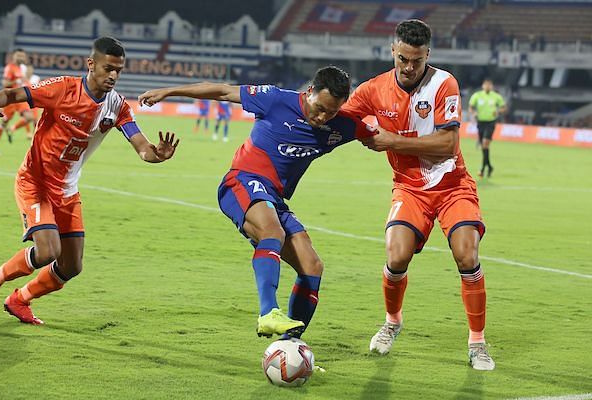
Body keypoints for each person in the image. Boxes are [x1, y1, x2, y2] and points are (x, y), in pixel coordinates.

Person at [139, 66, 375, 338]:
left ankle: (290, 345)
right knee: (271, 230)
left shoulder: (342, 125)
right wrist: (168, 91)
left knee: (312, 266)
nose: (322, 117)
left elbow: (382, 138)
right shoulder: (276, 100)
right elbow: (223, 91)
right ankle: (268, 313)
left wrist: (422, 144)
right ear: (309, 91)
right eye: (319, 107)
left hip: (274, 199)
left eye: (331, 112)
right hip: (241, 182)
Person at [0, 37, 179, 324]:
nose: (114, 75)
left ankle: (20, 299)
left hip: (67, 190)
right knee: (48, 251)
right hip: (36, 182)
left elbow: (142, 148)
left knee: (71, 266)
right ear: (91, 64)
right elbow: (13, 94)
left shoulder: (117, 107)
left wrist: (158, 154)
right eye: (108, 68)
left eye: (119, 70)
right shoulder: (62, 88)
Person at [341, 19, 495, 370]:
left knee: (467, 254)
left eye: (417, 60)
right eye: (403, 59)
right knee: (396, 257)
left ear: (428, 54)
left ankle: (478, 343)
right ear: (392, 51)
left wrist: (388, 141)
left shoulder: (444, 83)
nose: (409, 67)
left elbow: (448, 143)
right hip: (410, 188)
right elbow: (342, 121)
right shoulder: (373, 89)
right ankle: (392, 323)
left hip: (452, 185)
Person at [0, 49, 36, 153]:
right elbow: (5, 83)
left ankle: (12, 128)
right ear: (14, 56)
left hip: (19, 99)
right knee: (4, 122)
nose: (21, 57)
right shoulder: (10, 67)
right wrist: (15, 81)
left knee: (29, 117)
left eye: (22, 56)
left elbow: (22, 83)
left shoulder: (21, 69)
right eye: (18, 55)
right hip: (10, 100)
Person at [469, 78, 506, 177]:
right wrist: (474, 113)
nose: (488, 87)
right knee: (484, 146)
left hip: (491, 122)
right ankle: (489, 166)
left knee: (485, 143)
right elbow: (471, 107)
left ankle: (482, 169)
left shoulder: (496, 96)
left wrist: (498, 111)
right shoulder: (477, 96)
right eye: (486, 85)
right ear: (483, 86)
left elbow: (503, 107)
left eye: (490, 85)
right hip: (480, 122)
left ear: (492, 86)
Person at [10, 64, 41, 140]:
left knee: (35, 119)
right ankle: (30, 134)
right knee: (29, 117)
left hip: (34, 101)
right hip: (25, 101)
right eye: (28, 70)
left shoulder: (36, 78)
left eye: (31, 70)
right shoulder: (22, 79)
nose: (29, 71)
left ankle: (34, 135)